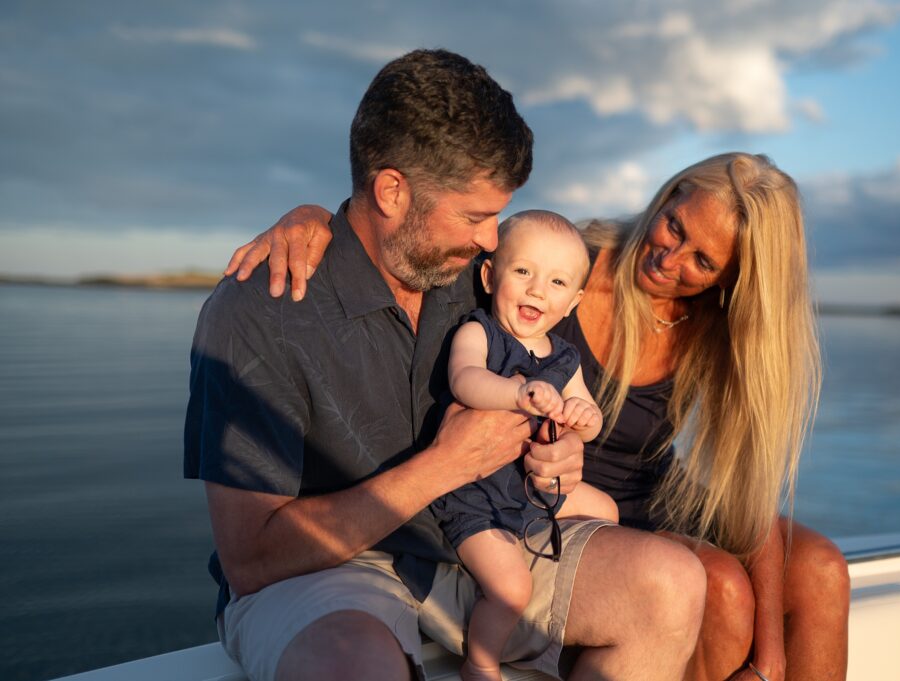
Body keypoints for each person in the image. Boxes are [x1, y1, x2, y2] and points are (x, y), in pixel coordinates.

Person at [228, 152, 852, 681]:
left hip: (648, 492)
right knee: (720, 588)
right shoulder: (558, 271)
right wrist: (311, 220)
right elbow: (442, 245)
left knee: (822, 569)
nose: (671, 257)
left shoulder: (718, 332)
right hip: (549, 492)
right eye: (674, 225)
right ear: (669, 195)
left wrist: (768, 665)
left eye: (703, 262)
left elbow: (749, 489)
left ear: (730, 281)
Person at [186, 48, 706, 681]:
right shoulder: (259, 311)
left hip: (486, 545)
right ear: (391, 191)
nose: (493, 239)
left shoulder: (477, 279)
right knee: (355, 664)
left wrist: (560, 453)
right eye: (475, 215)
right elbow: (252, 559)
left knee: (672, 583)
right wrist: (444, 466)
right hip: (329, 573)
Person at [437, 209, 618, 680]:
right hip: (475, 495)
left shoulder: (563, 356)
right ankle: (480, 661)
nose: (538, 289)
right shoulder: (480, 332)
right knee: (511, 588)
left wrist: (584, 418)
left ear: (574, 301)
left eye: (557, 283)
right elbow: (465, 380)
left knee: (606, 511)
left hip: (530, 490)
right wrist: (517, 394)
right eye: (523, 272)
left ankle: (569, 629)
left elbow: (588, 416)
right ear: (489, 275)